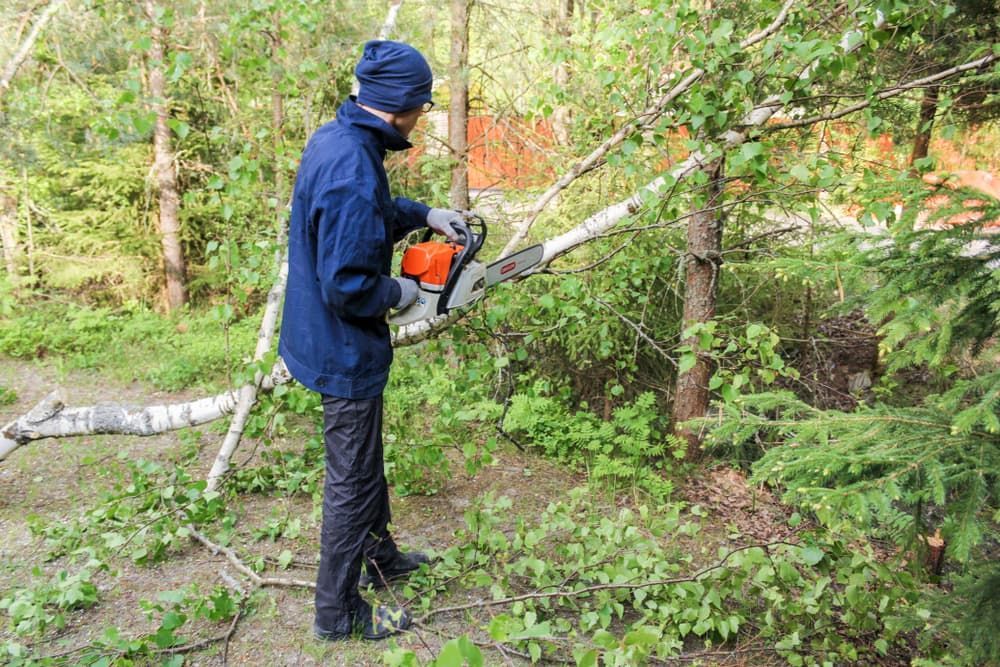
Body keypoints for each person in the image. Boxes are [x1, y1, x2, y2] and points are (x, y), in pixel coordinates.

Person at [278, 40, 464, 642]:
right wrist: (397, 294)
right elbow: (348, 283)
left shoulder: (340, 139)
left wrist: (425, 213)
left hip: (325, 334)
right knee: (351, 479)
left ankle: (380, 555)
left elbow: (371, 213)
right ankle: (337, 614)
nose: (421, 116)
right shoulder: (354, 164)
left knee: (364, 460)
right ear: (401, 107)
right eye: (420, 107)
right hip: (343, 343)